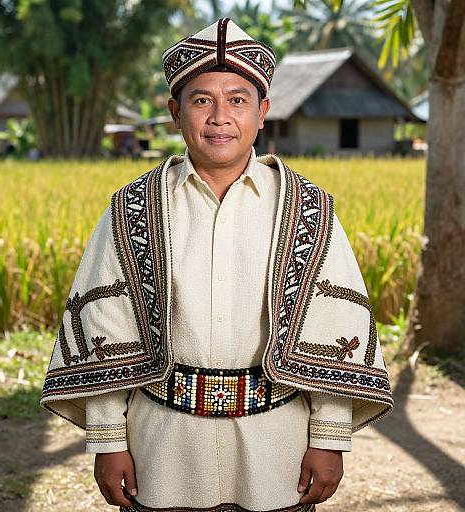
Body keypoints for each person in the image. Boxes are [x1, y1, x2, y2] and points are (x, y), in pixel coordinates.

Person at [39, 17, 394, 512]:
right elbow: (106, 325)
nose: (220, 116)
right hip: (162, 446)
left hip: (276, 446)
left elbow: (336, 326)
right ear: (174, 112)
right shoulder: (132, 208)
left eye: (238, 99)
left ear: (263, 111)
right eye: (202, 99)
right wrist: (107, 439)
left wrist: (330, 436)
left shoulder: (310, 210)